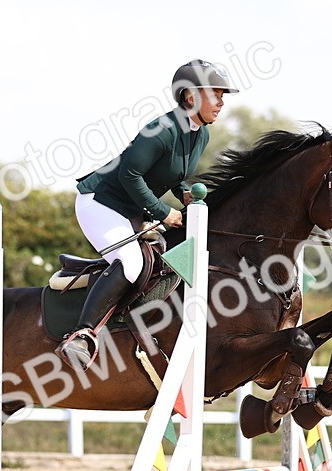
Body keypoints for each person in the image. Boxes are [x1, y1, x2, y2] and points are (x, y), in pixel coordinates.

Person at [57, 59, 238, 371]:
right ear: (191, 97)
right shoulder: (162, 129)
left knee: (162, 259)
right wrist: (163, 211)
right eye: (216, 94)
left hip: (130, 208)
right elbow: (130, 174)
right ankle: (81, 335)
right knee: (131, 261)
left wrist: (184, 193)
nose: (222, 102)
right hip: (100, 202)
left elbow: (172, 172)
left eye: (223, 96)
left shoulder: (200, 134)